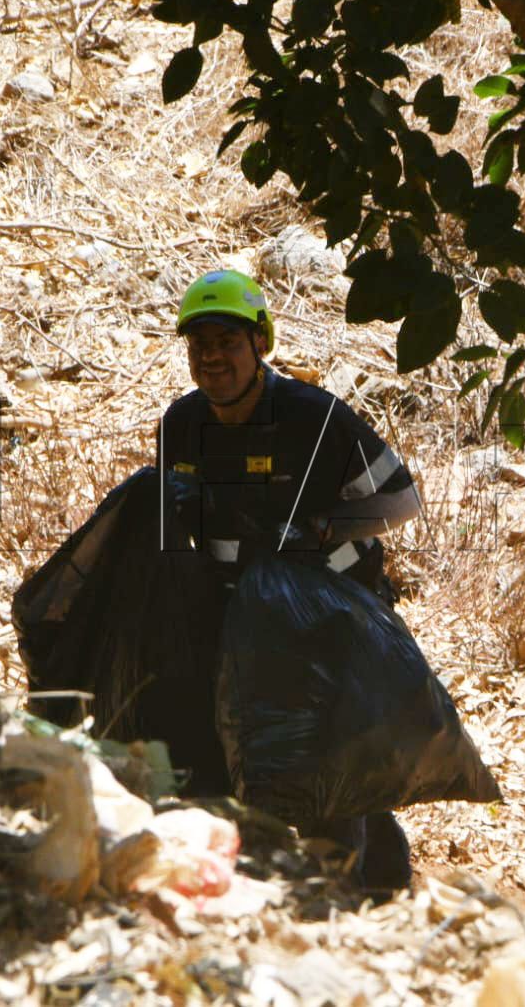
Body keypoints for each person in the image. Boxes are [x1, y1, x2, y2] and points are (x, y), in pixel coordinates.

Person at [156, 268, 423, 893]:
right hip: (239, 624)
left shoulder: (314, 417)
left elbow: (401, 501)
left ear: (260, 344)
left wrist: (323, 527)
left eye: (227, 341)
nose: (212, 357)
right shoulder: (181, 425)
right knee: (254, 761)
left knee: (338, 764)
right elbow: (174, 537)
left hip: (334, 620)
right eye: (199, 344)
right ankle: (346, 886)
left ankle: (355, 900)